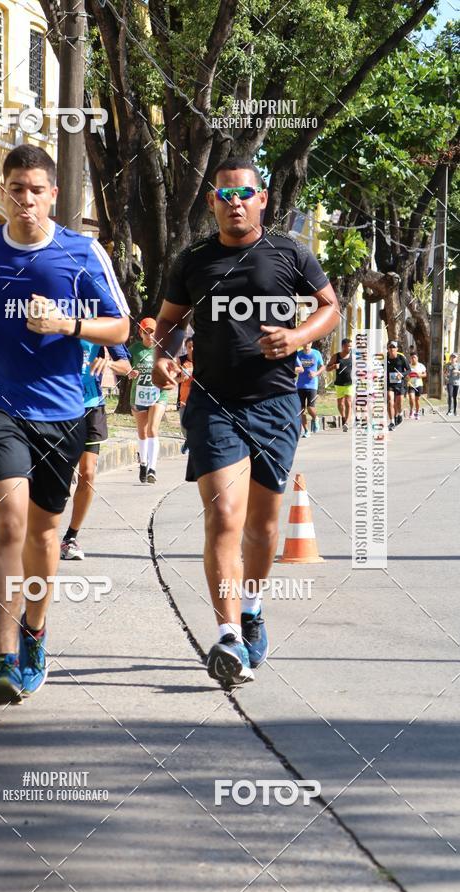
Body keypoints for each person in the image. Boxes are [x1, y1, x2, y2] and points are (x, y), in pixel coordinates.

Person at [0, 144, 129, 704]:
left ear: (53, 195)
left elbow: (119, 328)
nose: (26, 199)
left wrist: (69, 324)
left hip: (64, 410)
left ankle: (34, 633)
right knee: (9, 523)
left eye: (36, 190)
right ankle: (1, 659)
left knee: (46, 534)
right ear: (4, 192)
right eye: (16, 188)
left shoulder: (82, 251)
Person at [151, 156, 339, 687]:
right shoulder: (193, 262)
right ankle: (228, 635)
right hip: (213, 405)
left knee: (261, 527)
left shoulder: (289, 253)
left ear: (262, 201)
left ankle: (252, 608)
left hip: (276, 404)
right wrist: (165, 356)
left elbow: (331, 307)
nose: (234, 203)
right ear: (212, 202)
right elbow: (168, 322)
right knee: (224, 518)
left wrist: (298, 337)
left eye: (244, 194)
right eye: (224, 195)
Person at [60, 341, 131, 560]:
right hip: (59, 405)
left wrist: (108, 363)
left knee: (88, 473)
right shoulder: (57, 314)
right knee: (56, 476)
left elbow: (126, 366)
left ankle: (70, 538)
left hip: (92, 405)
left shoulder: (102, 320)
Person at [128, 318, 170, 483]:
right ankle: (143, 464)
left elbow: (171, 368)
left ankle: (152, 469)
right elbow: (123, 366)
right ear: (141, 332)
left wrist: (170, 377)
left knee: (153, 429)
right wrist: (129, 372)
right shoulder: (133, 350)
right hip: (138, 395)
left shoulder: (162, 349)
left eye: (153, 332)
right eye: (147, 332)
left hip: (159, 395)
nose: (150, 335)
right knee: (142, 432)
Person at [296, 341, 325, 437]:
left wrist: (316, 374)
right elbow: (294, 366)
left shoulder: (316, 353)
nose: (306, 345)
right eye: (305, 343)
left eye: (308, 343)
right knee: (301, 410)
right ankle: (306, 430)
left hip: (312, 385)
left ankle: (315, 418)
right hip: (300, 385)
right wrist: (297, 370)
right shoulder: (299, 354)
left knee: (310, 407)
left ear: (311, 343)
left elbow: (322, 366)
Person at [327, 337, 353, 431]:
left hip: (350, 383)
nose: (350, 348)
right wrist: (334, 366)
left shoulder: (353, 356)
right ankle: (343, 417)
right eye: (348, 346)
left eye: (351, 346)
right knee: (340, 403)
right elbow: (327, 368)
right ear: (343, 346)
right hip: (339, 383)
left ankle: (346, 423)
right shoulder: (336, 356)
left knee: (348, 402)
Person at [386, 341, 410, 431]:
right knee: (390, 401)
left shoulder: (401, 358)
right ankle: (392, 422)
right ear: (388, 349)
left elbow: (408, 370)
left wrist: (402, 374)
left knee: (399, 403)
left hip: (399, 384)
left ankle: (399, 414)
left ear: (397, 349)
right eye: (390, 347)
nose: (392, 349)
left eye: (393, 347)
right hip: (389, 384)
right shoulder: (385, 358)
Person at [177, 335, 194, 452]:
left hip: (199, 399)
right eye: (189, 347)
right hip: (183, 399)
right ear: (186, 348)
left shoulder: (204, 361)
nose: (192, 349)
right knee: (184, 426)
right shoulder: (181, 360)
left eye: (194, 347)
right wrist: (181, 378)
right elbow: (173, 379)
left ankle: (192, 443)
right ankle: (189, 440)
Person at [406, 349, 427, 419]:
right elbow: (406, 376)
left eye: (414, 357)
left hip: (419, 385)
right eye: (412, 358)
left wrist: (420, 375)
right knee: (411, 398)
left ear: (417, 358)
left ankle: (417, 413)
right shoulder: (408, 366)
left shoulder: (421, 366)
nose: (413, 359)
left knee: (417, 400)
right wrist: (407, 378)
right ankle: (412, 410)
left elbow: (425, 374)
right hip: (411, 385)